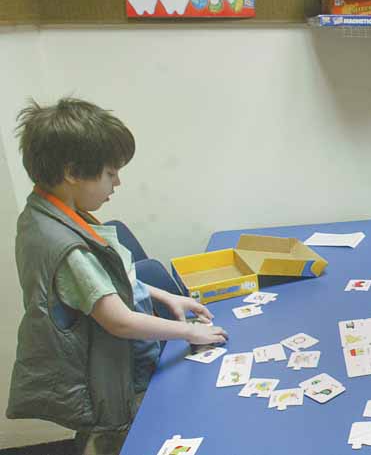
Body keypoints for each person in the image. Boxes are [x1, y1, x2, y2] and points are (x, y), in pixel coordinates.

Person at [7, 98, 228, 455]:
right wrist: (190, 331)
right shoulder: (66, 246)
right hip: (108, 377)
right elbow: (119, 321)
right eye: (110, 172)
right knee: (117, 439)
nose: (118, 182)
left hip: (110, 360)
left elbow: (108, 278)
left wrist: (164, 295)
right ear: (71, 172)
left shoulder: (49, 212)